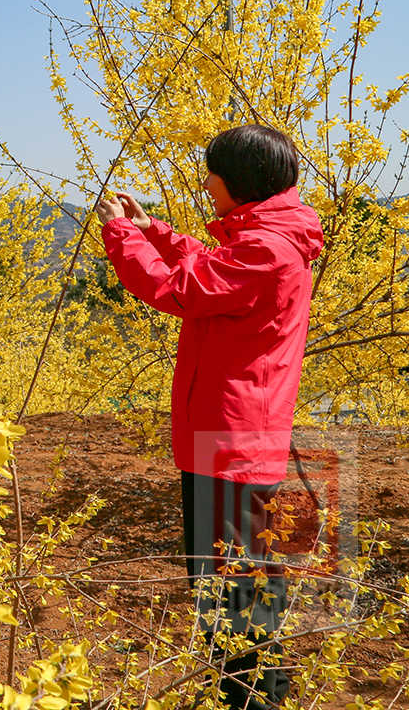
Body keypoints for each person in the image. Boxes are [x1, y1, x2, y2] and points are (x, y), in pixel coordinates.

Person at [96, 125, 323, 710]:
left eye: (212, 174)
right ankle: (246, 694)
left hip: (232, 445)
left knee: (233, 592)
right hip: (233, 438)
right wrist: (157, 231)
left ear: (238, 182)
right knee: (239, 588)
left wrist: (121, 233)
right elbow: (209, 265)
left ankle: (246, 700)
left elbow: (180, 288)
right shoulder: (270, 236)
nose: (205, 183)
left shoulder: (267, 247)